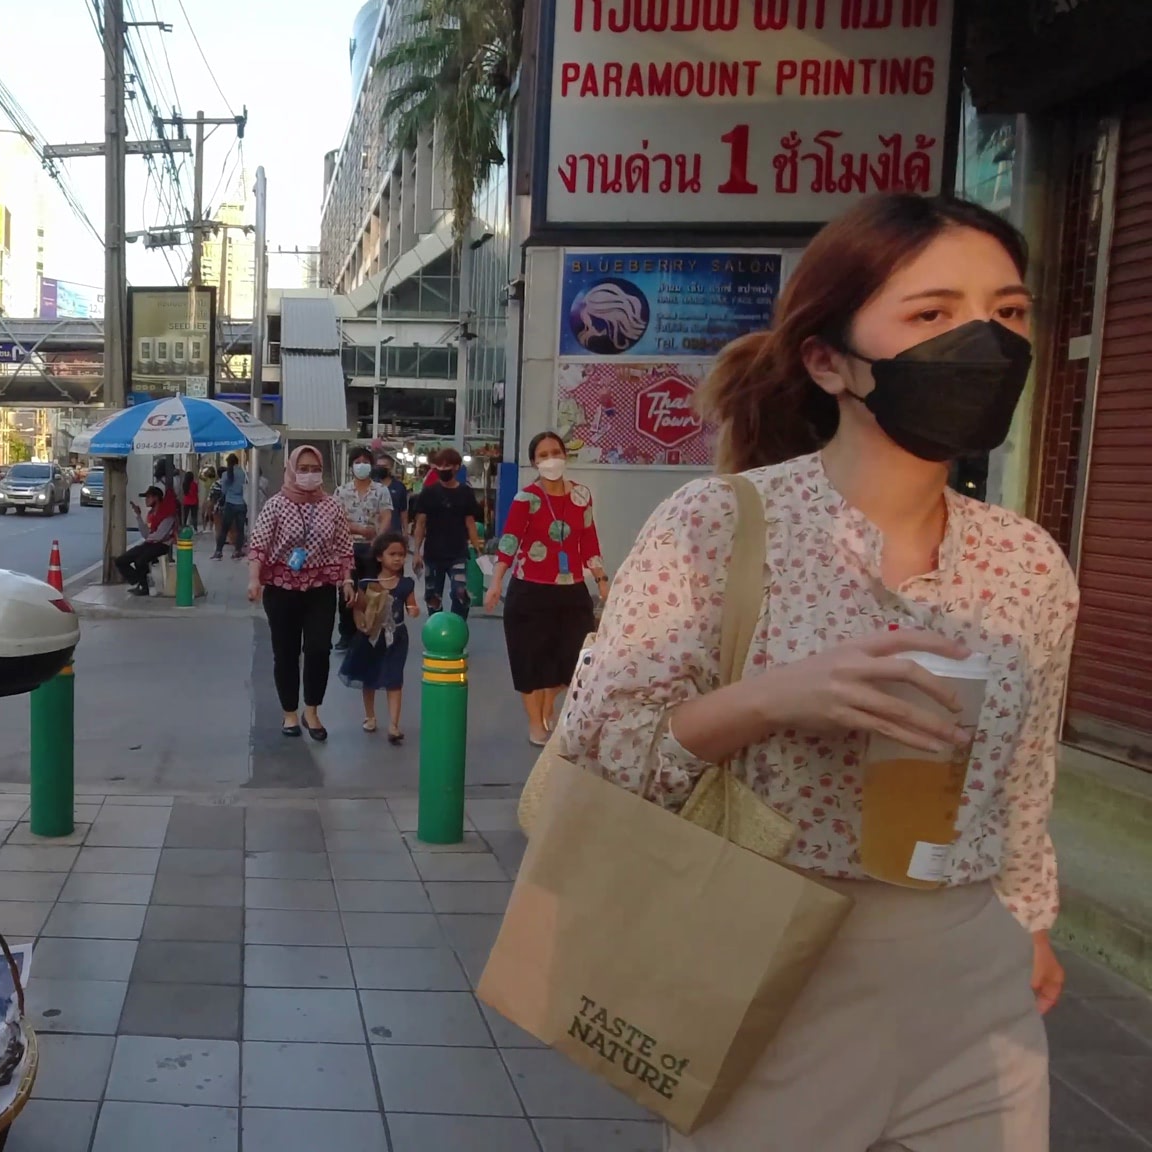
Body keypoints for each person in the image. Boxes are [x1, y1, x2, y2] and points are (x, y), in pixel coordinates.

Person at [562, 193, 1075, 1150]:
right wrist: (771, 699)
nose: (984, 342)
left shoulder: (1030, 563)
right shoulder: (715, 528)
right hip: (769, 963)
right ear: (828, 359)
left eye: (1006, 313)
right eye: (932, 315)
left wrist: (1028, 921)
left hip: (973, 982)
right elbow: (597, 753)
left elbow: (1026, 778)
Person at [485, 432, 606, 746]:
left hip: (572, 590)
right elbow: (509, 541)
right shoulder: (526, 498)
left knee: (575, 660)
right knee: (530, 660)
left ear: (565, 455)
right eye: (543, 455)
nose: (551, 459)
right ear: (534, 462)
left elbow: (589, 538)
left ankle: (549, 702)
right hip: (530, 590)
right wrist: (496, 582)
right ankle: (534, 723)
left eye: (555, 452)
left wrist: (601, 578)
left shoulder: (582, 496)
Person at [247, 445, 355, 741]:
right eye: (303, 469)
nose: (309, 475)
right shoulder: (276, 505)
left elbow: (344, 546)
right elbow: (258, 545)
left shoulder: (332, 506)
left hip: (320, 588)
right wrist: (254, 579)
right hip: (282, 590)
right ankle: (290, 713)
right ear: (292, 470)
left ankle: (312, 711)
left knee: (320, 649)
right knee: (286, 652)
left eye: (314, 469)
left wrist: (347, 580)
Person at [339, 531, 418, 744]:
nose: (398, 558)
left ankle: (394, 725)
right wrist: (359, 622)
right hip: (372, 635)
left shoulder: (406, 584)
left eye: (401, 554)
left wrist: (413, 610)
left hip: (397, 637)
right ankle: (370, 716)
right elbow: (359, 607)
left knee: (395, 679)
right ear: (379, 557)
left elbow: (411, 606)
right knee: (369, 677)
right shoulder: (367, 583)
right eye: (392, 554)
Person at [409, 446, 485, 616]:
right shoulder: (428, 492)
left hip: (457, 552)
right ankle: (436, 629)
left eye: (447, 466)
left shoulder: (465, 492)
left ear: (457, 467)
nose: (443, 470)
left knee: (460, 594)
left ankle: (457, 627)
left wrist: (478, 548)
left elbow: (470, 522)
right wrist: (416, 552)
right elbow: (420, 523)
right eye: (439, 466)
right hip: (432, 553)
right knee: (432, 596)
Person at [334, 447, 394, 650]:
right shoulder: (341, 491)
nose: (361, 465)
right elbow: (336, 519)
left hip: (372, 548)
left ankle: (370, 629)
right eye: (357, 461)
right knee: (346, 590)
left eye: (365, 461)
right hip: (347, 547)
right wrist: (358, 528)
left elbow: (386, 515)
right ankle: (346, 634)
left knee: (371, 590)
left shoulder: (381, 491)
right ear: (351, 466)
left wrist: (379, 538)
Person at [114, 484, 178, 595]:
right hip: (149, 543)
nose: (146, 500)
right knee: (121, 560)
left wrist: (149, 538)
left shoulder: (167, 514)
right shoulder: (151, 514)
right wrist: (138, 515)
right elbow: (146, 534)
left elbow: (159, 536)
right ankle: (139, 580)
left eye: (148, 497)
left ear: (156, 498)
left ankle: (144, 587)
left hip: (162, 545)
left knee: (140, 561)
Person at [213, 453, 249, 559]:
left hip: (230, 504)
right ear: (237, 462)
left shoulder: (225, 475)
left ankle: (219, 551)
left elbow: (223, 491)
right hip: (241, 504)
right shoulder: (243, 473)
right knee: (240, 529)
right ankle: (237, 550)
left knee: (224, 528)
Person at [376, 456, 410, 535]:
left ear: (390, 468)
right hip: (375, 530)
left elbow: (403, 512)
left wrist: (405, 532)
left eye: (384, 466)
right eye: (378, 466)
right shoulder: (371, 485)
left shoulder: (399, 487)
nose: (380, 469)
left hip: (394, 531)